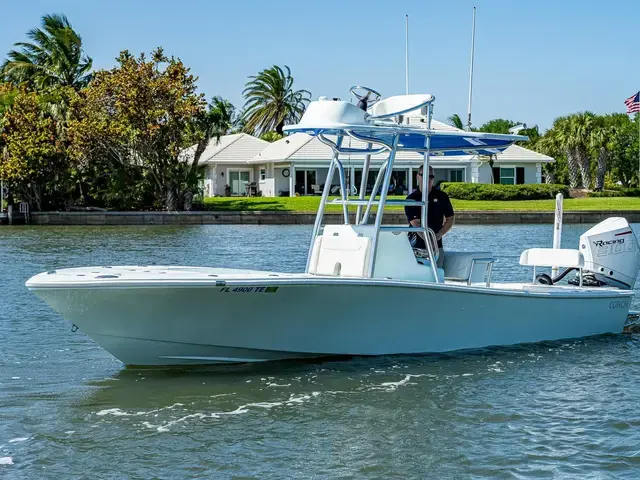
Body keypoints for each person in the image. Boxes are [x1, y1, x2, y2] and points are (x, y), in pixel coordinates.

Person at [404, 165, 455, 267]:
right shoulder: (411, 199)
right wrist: (428, 240)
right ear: (417, 177)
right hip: (416, 247)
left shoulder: (442, 197)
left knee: (437, 275)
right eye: (424, 175)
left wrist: (439, 234)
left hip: (437, 246)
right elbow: (416, 224)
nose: (428, 179)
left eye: (431, 177)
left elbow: (451, 218)